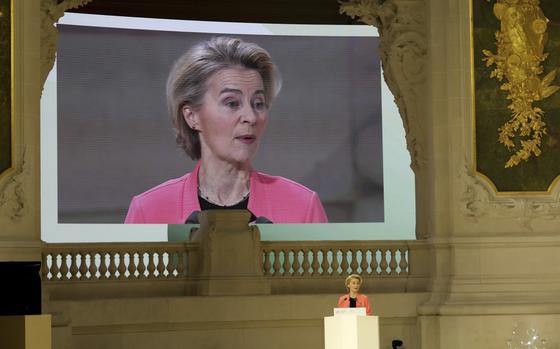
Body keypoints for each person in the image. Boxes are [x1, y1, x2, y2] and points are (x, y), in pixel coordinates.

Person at [125, 36, 328, 224]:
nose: (251, 117)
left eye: (258, 103)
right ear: (192, 116)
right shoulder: (148, 211)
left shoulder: (302, 207)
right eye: (232, 103)